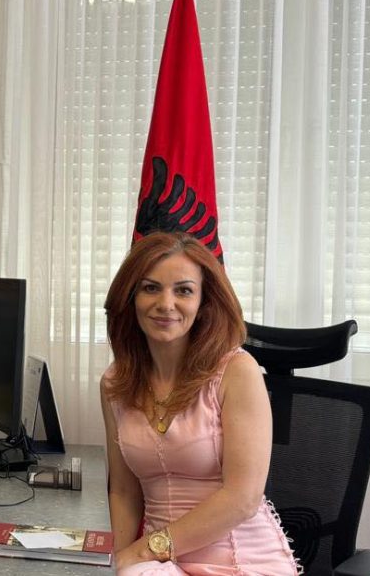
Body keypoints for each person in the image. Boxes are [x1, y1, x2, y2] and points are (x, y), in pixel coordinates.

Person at [100, 232, 298, 575]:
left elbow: (243, 499)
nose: (166, 304)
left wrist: (145, 550)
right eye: (150, 288)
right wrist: (118, 561)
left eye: (183, 290)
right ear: (129, 298)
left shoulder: (237, 372)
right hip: (159, 566)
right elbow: (123, 490)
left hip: (242, 561)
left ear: (204, 302)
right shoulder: (115, 383)